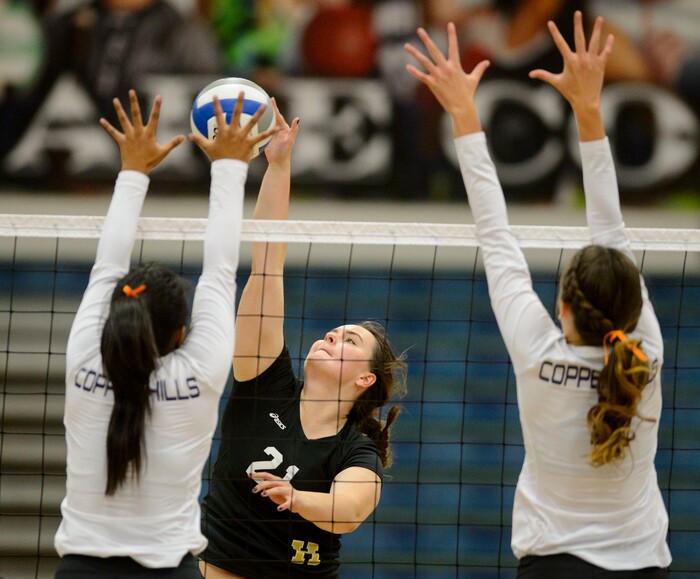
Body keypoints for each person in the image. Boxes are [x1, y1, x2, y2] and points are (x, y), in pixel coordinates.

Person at [405, 10, 671, 578]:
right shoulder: (645, 353)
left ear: (563, 309)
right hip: (642, 566)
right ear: (631, 305)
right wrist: (590, 109)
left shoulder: (540, 353)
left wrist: (463, 114)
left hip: (552, 566)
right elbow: (611, 232)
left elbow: (496, 236)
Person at [53, 90, 276, 578]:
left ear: (117, 314)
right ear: (182, 331)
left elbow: (105, 267)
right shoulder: (198, 374)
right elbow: (220, 271)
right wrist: (229, 164)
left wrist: (134, 171)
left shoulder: (84, 360)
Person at [198, 100, 407, 578]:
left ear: (364, 379)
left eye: (350, 342)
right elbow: (267, 265)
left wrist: (295, 498)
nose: (333, 335)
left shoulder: (356, 450)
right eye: (335, 332)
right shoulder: (263, 384)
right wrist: (278, 166)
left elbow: (348, 511)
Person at [0, 0, 223, 162]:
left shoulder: (184, 32)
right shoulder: (66, 26)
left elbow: (205, 108)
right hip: (55, 178)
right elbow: (28, 103)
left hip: (158, 179)